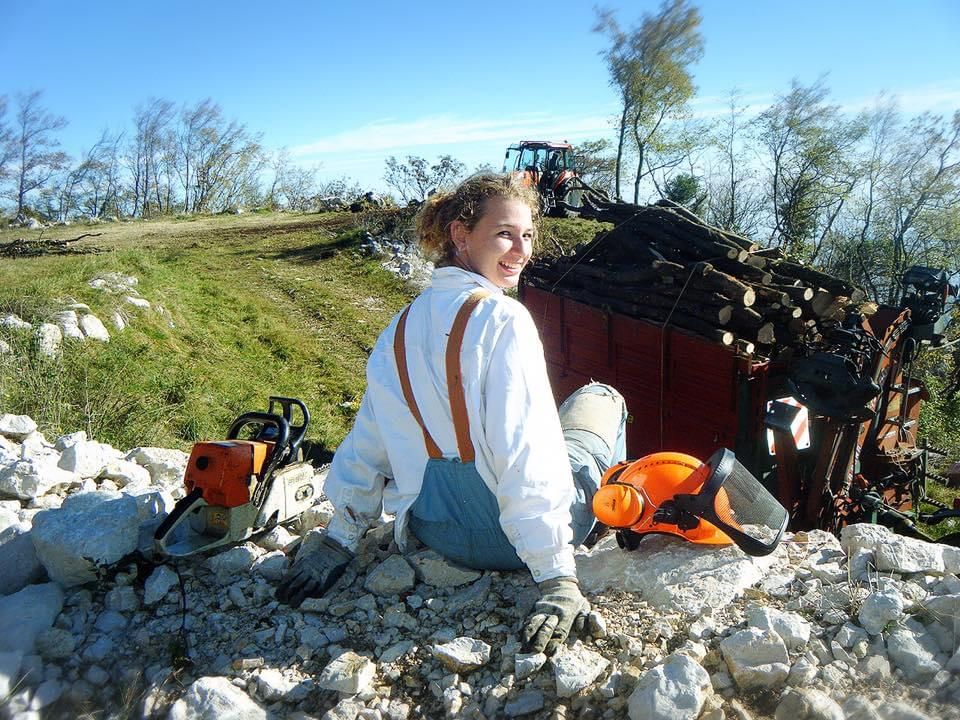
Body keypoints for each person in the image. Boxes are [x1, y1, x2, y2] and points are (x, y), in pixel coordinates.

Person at [276, 172, 627, 655]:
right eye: (505, 234)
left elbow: (368, 441)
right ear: (460, 234)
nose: (521, 250)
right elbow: (526, 452)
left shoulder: (398, 328)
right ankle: (616, 521)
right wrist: (555, 577)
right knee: (602, 399)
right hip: (513, 545)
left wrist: (340, 539)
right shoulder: (504, 319)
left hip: (438, 535)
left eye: (527, 235)